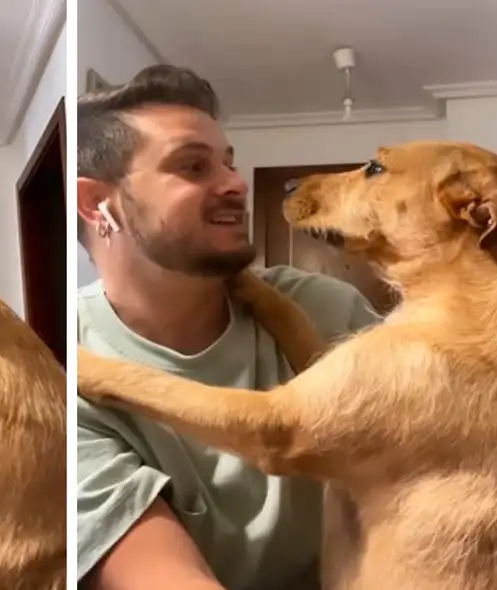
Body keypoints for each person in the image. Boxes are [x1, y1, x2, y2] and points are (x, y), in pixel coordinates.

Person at [75, 65, 381, 590]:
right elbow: (163, 575)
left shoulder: (328, 310)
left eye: (229, 163)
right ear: (95, 203)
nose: (236, 184)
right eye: (193, 166)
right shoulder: (67, 366)